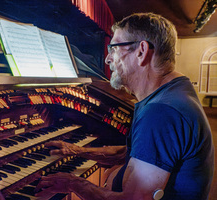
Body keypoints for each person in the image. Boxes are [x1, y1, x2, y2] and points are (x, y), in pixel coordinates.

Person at [35, 13, 215, 200]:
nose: (107, 59)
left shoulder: (162, 112)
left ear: (141, 51)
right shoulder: (173, 92)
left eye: (113, 48)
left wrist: (73, 183)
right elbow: (136, 154)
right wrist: (78, 150)